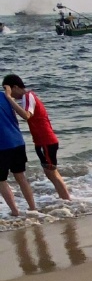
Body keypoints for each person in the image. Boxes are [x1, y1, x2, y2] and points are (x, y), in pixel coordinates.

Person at [3, 75, 71, 201]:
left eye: (10, 91)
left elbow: (27, 115)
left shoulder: (28, 96)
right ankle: (66, 199)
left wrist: (8, 98)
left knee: (52, 173)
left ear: (16, 87)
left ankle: (67, 200)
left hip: (46, 140)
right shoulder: (28, 97)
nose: (11, 95)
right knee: (51, 173)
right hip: (43, 140)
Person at [0, 83, 38, 217]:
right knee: (21, 176)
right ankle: (33, 208)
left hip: (2, 145)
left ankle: (15, 211)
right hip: (17, 141)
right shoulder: (6, 97)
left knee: (1, 180)